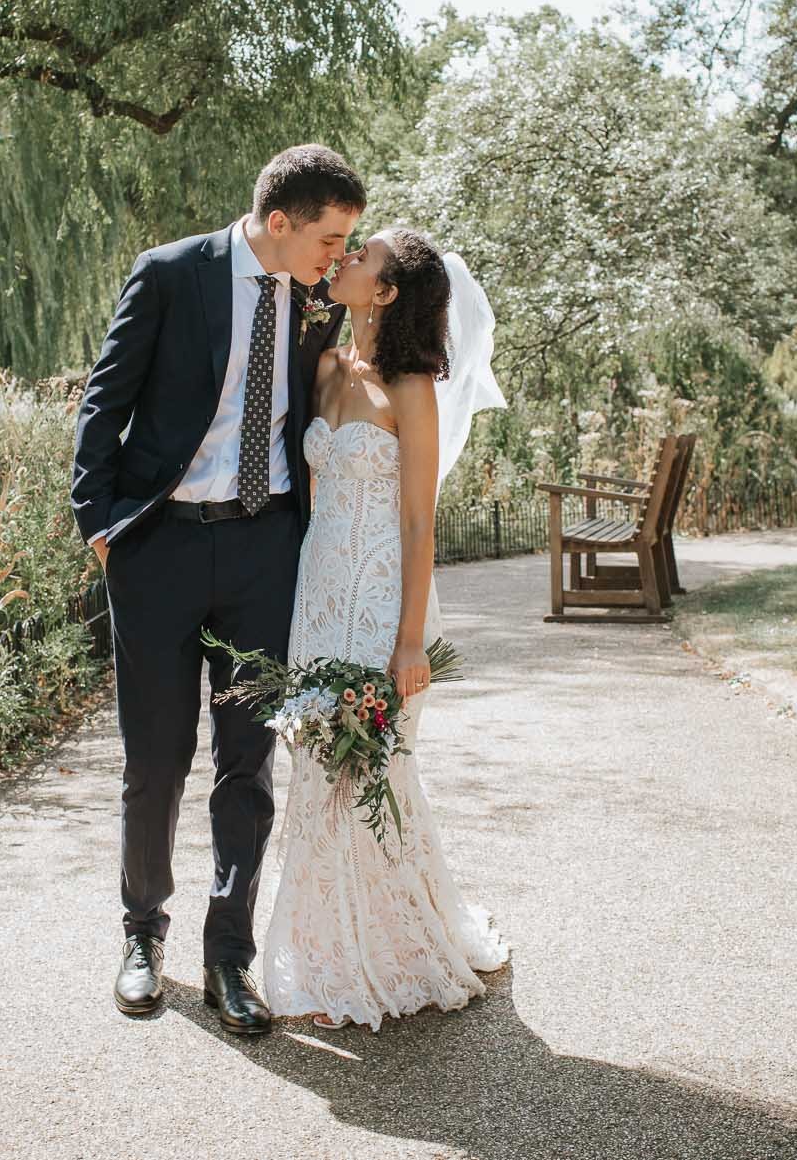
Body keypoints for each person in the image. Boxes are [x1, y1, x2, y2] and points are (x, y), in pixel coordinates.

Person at [71, 144, 360, 1035]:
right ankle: (141, 935)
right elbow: (103, 401)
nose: (340, 257)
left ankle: (227, 954)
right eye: (331, 238)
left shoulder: (316, 300)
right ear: (280, 224)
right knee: (154, 758)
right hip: (159, 547)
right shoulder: (169, 275)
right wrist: (103, 527)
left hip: (264, 550)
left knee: (249, 761)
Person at [261, 227, 510, 1031]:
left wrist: (409, 639)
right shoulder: (327, 365)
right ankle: (322, 948)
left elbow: (416, 520)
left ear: (388, 290)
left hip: (382, 606)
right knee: (313, 764)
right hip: (319, 592)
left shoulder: (413, 387)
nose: (345, 258)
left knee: (372, 767)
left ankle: (388, 948)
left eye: (361, 255)